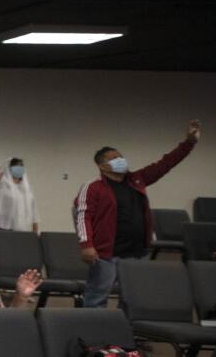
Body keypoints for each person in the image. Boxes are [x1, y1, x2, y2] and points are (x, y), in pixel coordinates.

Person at [75, 121, 201, 308]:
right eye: (115, 158)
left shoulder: (137, 179)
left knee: (133, 298)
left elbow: (165, 164)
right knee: (97, 296)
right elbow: (83, 216)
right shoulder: (93, 187)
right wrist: (87, 245)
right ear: (102, 166)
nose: (121, 160)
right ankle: (89, 335)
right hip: (107, 253)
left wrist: (189, 143)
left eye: (121, 156)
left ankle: (126, 334)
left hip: (137, 251)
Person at [0, 158, 39, 233]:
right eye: (16, 166)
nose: (19, 169)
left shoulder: (27, 189)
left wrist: (35, 233)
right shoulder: (2, 185)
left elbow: (34, 213)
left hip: (21, 230)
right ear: (9, 169)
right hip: (1, 228)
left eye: (21, 166)